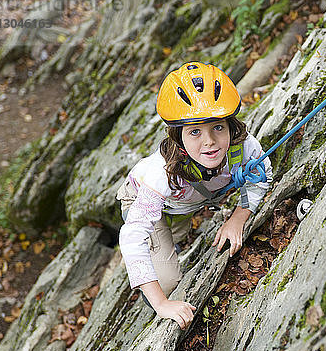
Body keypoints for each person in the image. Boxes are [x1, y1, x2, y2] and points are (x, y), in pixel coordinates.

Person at [116, 62, 272, 329]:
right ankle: (157, 263)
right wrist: (162, 304)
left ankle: (169, 241)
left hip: (185, 205)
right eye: (195, 132)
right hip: (148, 200)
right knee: (167, 282)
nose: (209, 141)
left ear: (230, 126)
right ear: (178, 137)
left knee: (172, 237)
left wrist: (237, 219)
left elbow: (263, 174)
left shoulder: (243, 148)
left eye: (218, 128)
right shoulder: (161, 174)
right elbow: (131, 239)